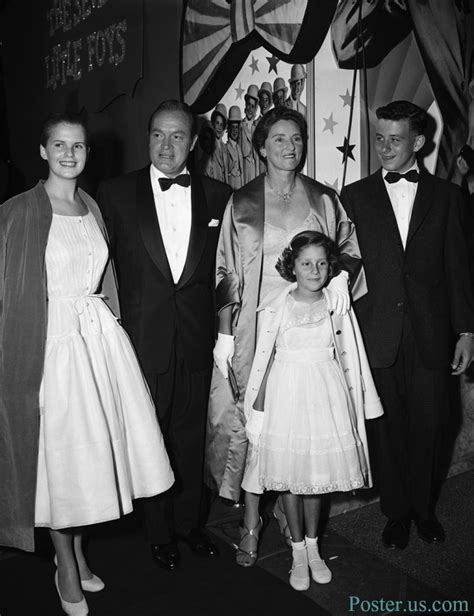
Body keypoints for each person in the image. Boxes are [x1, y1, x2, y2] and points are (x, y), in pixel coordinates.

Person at [0, 113, 174, 615]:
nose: (69, 154)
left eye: (78, 146)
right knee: (61, 460)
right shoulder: (17, 211)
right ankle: (66, 565)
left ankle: (74, 551)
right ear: (42, 150)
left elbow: (105, 280)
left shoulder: (92, 206)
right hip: (50, 344)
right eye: (59, 144)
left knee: (93, 456)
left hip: (97, 340)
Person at [206, 106, 367, 564]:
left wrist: (339, 281)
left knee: (298, 429)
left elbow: (348, 250)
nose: (289, 146)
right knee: (257, 428)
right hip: (257, 330)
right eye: (279, 138)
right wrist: (224, 333)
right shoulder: (241, 201)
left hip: (309, 330)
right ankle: (251, 521)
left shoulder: (322, 198)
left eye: (296, 138)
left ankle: (291, 520)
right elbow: (226, 271)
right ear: (260, 146)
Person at [97, 100, 232, 572]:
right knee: (151, 437)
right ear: (147, 137)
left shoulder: (219, 195)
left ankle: (191, 524)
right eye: (158, 134)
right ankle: (158, 532)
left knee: (190, 437)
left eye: (177, 136)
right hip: (141, 339)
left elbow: (225, 272)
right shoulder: (113, 194)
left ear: (194, 143)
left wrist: (225, 331)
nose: (167, 145)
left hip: (197, 338)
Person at [340, 100, 474, 550]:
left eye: (394, 140)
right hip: (376, 333)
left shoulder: (449, 197)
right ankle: (396, 513)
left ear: (418, 142)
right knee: (388, 428)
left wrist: (467, 332)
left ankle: (423, 508)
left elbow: (459, 271)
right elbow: (347, 271)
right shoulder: (354, 197)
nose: (384, 147)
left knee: (432, 424)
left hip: (432, 333)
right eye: (379, 138)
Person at [241, 230, 383, 590]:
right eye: (306, 263)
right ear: (292, 267)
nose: (314, 270)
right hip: (286, 394)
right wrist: (258, 409)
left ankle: (315, 548)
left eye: (321, 263)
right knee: (290, 477)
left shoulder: (336, 303)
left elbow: (352, 353)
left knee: (317, 478)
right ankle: (298, 551)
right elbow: (266, 358)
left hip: (326, 394)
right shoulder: (278, 305)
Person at [240, 84, 260, 183]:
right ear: (245, 105)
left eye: (253, 106)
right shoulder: (240, 126)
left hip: (254, 168)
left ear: (256, 108)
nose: (250, 109)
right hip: (244, 167)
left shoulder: (256, 127)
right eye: (248, 105)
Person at [205, 103, 228, 183]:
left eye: (222, 124)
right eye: (217, 123)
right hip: (213, 186)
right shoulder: (208, 146)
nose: (219, 127)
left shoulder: (225, 147)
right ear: (213, 123)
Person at [225, 105, 244, 190]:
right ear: (228, 128)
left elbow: (242, 169)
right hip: (231, 182)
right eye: (232, 127)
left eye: (236, 127)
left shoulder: (239, 148)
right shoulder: (225, 148)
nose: (235, 130)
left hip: (239, 183)